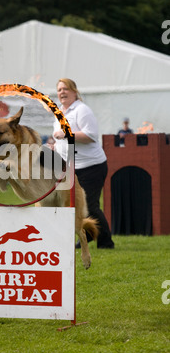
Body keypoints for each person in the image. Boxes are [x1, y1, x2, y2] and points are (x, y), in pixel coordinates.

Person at [53, 78, 114, 249]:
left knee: (90, 205)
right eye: (59, 90)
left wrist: (66, 134)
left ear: (74, 91)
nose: (62, 92)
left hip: (91, 167)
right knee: (76, 205)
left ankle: (106, 242)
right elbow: (61, 139)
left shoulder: (82, 110)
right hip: (70, 167)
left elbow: (90, 135)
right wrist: (55, 146)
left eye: (65, 89)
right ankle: (86, 237)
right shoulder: (59, 112)